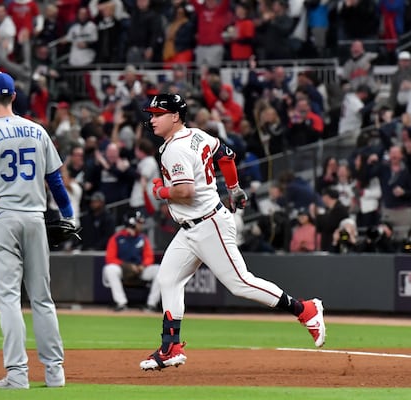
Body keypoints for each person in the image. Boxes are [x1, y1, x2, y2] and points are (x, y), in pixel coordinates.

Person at [138, 93, 326, 371]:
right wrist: (234, 188)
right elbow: (225, 155)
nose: (152, 119)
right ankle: (170, 347)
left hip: (207, 224)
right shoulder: (197, 135)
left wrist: (160, 191)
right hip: (191, 227)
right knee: (168, 279)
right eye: (151, 114)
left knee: (241, 284)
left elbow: (185, 192)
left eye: (158, 114)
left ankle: (305, 310)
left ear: (175, 116)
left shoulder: (176, 148)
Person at [0, 72, 74, 389]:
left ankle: (18, 374)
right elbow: (56, 182)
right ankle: (54, 373)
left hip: (2, 217)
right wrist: (69, 215)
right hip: (35, 217)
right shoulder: (37, 130)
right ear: (14, 97)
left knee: (9, 299)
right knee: (42, 299)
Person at [102, 211, 161, 312]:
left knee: (159, 270)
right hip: (122, 270)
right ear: (132, 223)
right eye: (139, 222)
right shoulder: (117, 238)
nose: (141, 225)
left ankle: (151, 304)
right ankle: (121, 303)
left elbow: (149, 257)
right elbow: (110, 258)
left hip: (139, 270)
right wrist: (126, 265)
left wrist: (143, 265)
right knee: (109, 269)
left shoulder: (142, 238)